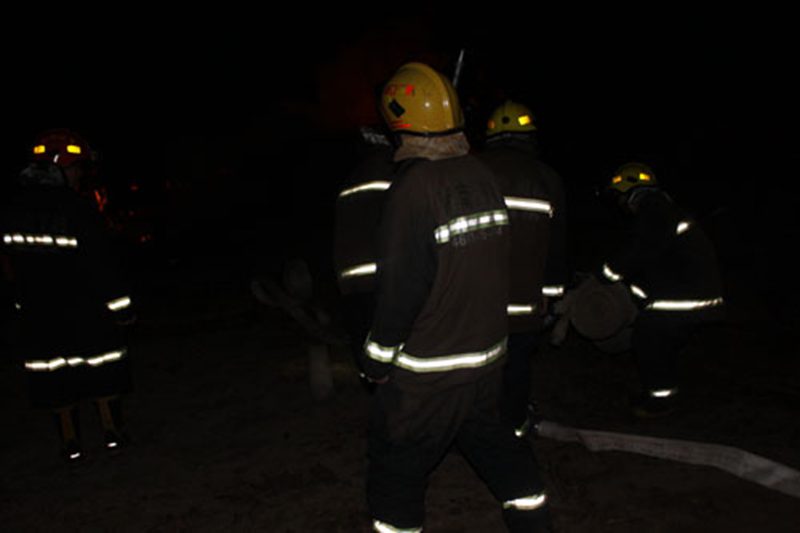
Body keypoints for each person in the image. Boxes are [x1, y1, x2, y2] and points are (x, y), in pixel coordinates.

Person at [360, 62, 551, 532]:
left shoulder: (413, 189)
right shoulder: (482, 175)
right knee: (499, 451)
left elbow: (401, 289)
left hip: (430, 375)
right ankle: (535, 525)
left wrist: (376, 360)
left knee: (396, 471)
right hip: (486, 363)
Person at [0, 131, 134, 463]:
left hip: (39, 315)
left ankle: (69, 443)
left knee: (53, 375)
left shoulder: (13, 209)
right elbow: (101, 264)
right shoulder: (76, 208)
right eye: (76, 168)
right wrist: (121, 309)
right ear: (60, 168)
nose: (79, 175)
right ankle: (112, 432)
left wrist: (19, 305)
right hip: (85, 310)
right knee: (102, 366)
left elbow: (10, 266)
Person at [599, 162, 725, 417]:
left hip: (686, 298)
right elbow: (654, 261)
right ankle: (661, 390)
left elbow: (636, 252)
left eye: (619, 197)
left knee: (648, 340)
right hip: (693, 292)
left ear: (629, 192)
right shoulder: (665, 209)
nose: (621, 205)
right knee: (660, 342)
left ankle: (660, 402)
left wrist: (606, 274)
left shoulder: (653, 210)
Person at [478, 100, 568, 437]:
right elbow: (557, 243)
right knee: (516, 363)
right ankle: (514, 425)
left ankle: (476, 425)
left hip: (475, 298)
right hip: (524, 300)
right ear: (530, 136)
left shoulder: (471, 171)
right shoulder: (547, 178)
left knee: (476, 365)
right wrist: (552, 293)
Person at [333, 125, 397, 380]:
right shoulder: (395, 175)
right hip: (385, 283)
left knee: (370, 363)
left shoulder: (349, 181)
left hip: (352, 287)